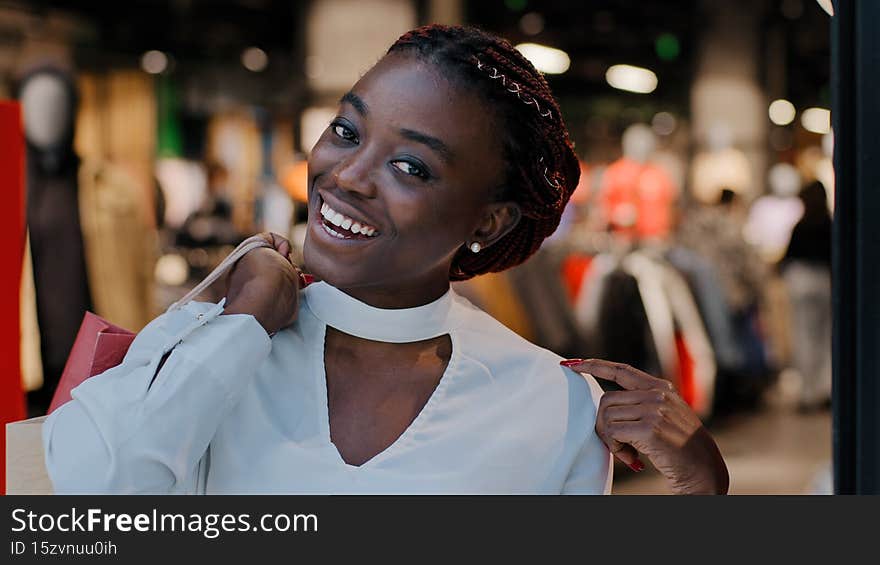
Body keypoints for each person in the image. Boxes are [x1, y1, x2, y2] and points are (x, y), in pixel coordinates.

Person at [43, 25, 727, 494]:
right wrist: (242, 323)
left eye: (410, 165)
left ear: (489, 219)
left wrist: (702, 489)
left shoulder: (554, 406)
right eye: (346, 130)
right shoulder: (212, 337)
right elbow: (84, 500)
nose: (346, 175)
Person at [781, 181, 832, 411]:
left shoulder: (801, 226)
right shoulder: (828, 224)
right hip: (822, 281)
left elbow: (787, 258)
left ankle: (808, 392)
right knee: (824, 337)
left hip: (801, 281)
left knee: (804, 337)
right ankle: (824, 389)